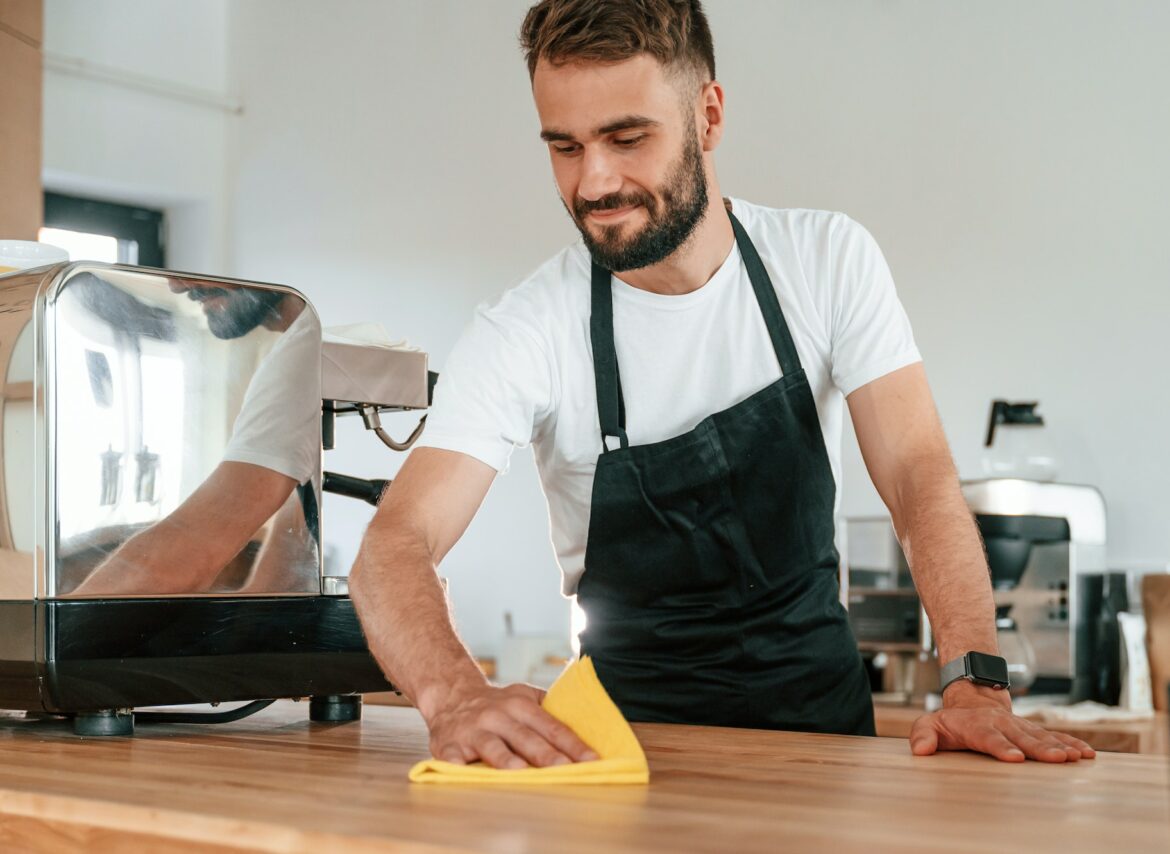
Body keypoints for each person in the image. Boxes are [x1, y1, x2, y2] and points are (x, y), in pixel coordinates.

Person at [349, 0, 1095, 768]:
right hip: (626, 759)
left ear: (707, 116)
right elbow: (396, 544)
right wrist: (456, 694)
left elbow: (917, 478)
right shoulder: (526, 329)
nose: (593, 181)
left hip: (825, 747)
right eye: (565, 147)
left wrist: (973, 680)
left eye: (627, 138)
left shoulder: (826, 260)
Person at [74, 278, 321, 596]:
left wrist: (31, 638)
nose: (176, 286)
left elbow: (187, 555)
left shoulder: (304, 349)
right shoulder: (313, 343)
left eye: (207, 270)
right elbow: (283, 582)